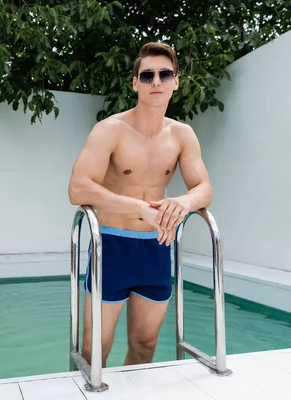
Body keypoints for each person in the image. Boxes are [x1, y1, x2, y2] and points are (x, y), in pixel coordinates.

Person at [67, 41, 212, 367]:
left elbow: (204, 189)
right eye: (147, 76)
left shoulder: (182, 135)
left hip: (157, 248)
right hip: (113, 248)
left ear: (176, 81)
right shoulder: (110, 130)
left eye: (164, 74)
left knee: (145, 345)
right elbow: (77, 189)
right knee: (94, 351)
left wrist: (184, 201)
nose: (156, 82)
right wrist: (138, 207)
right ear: (135, 83)